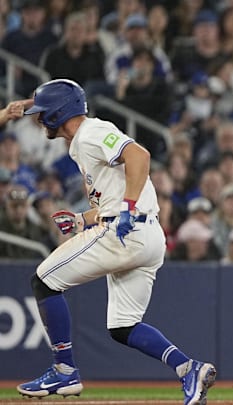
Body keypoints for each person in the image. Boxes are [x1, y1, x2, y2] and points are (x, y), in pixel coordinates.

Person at [17, 79, 216, 404]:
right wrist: (83, 219)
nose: (39, 119)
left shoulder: (91, 132)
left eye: (43, 112)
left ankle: (64, 371)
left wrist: (127, 209)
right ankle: (188, 369)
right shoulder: (82, 142)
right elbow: (110, 199)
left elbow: (139, 155)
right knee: (123, 326)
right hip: (146, 235)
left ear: (58, 112)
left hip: (127, 231)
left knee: (43, 281)